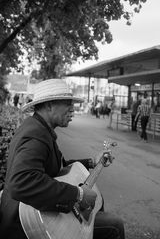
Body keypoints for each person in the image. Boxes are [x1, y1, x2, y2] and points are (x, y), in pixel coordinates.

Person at [0, 79, 125, 239]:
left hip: (37, 214)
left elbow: (59, 168)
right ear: (49, 105)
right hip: (22, 226)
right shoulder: (35, 135)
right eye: (68, 104)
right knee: (115, 225)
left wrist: (93, 162)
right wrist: (78, 194)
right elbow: (22, 181)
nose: (73, 109)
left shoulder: (39, 129)